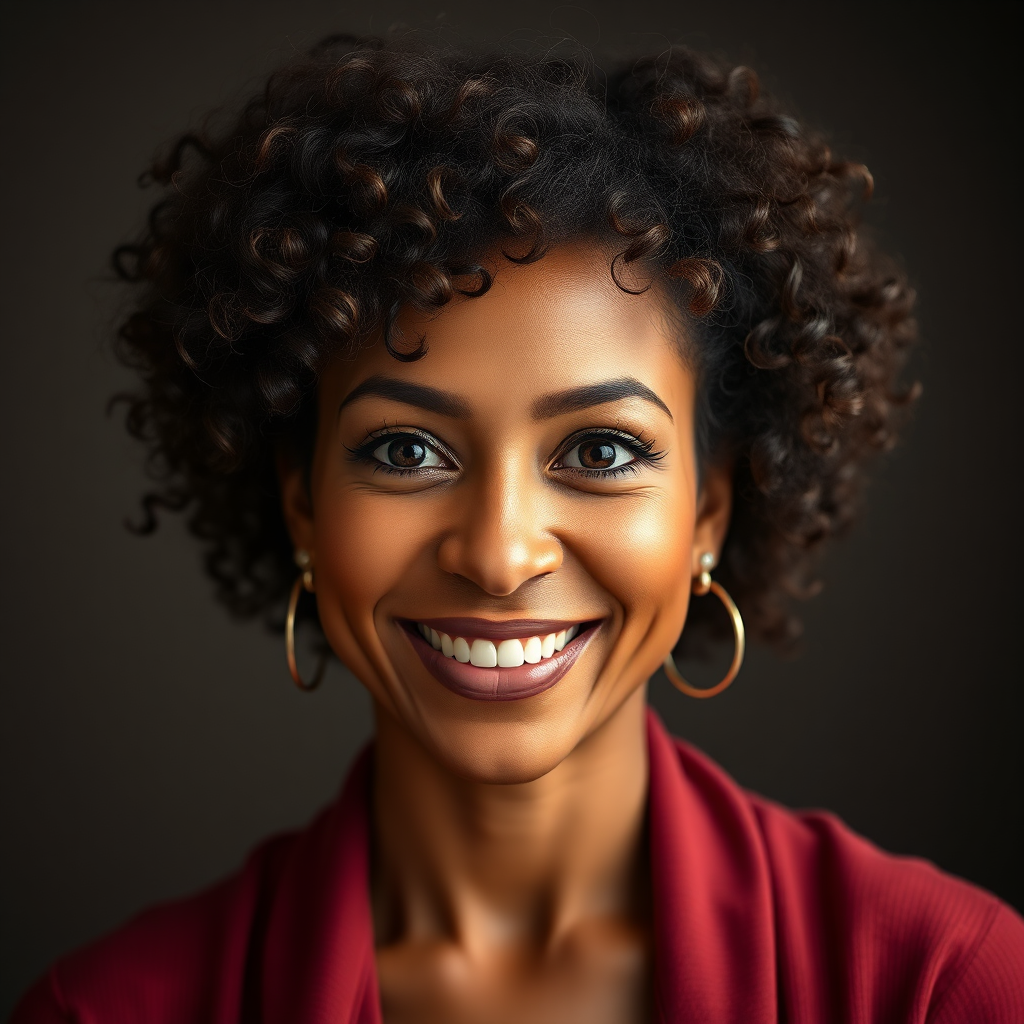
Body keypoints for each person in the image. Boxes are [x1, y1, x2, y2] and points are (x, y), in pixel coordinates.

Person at [12, 32, 1024, 1024]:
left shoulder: (944, 987)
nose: (498, 556)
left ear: (708, 507)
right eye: (406, 451)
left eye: (599, 453)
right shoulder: (110, 1010)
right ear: (302, 504)